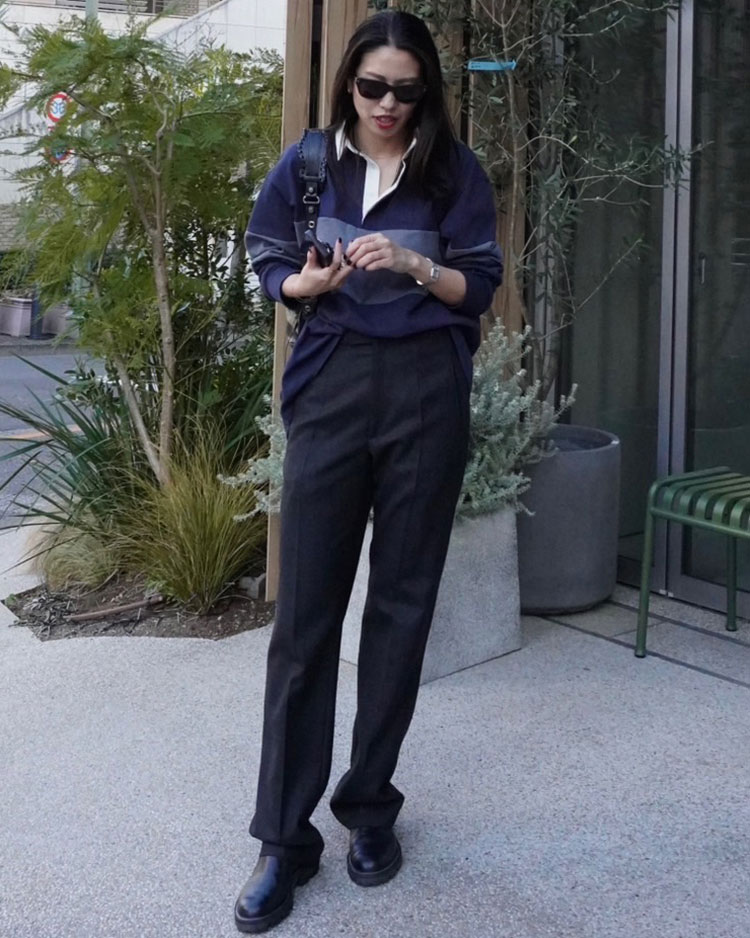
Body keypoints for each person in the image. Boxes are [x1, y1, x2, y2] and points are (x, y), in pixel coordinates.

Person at [235, 10, 503, 934]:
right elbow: (267, 257)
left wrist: (419, 264)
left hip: (427, 388)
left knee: (401, 607)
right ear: (348, 82)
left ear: (427, 92)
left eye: (407, 90)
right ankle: (284, 839)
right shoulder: (310, 166)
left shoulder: (453, 172)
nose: (388, 104)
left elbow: (480, 285)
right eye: (372, 86)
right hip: (335, 385)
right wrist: (303, 285)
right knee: (304, 619)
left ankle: (369, 805)